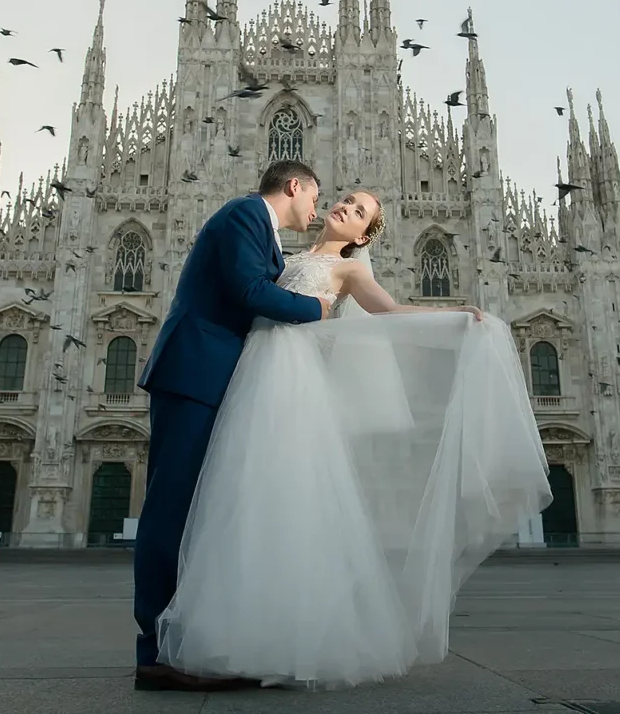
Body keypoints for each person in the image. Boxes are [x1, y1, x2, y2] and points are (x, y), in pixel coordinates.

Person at [154, 188, 552, 690]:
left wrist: (455, 314)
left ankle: (287, 638)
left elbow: (387, 312)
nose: (344, 206)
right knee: (243, 502)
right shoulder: (282, 254)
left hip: (291, 384)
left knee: (290, 500)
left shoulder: (351, 269)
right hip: (248, 377)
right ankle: (245, 633)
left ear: (363, 235)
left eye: (359, 211)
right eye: (344, 199)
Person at [132, 159, 333, 692]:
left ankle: (187, 644)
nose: (318, 209)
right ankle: (154, 653)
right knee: (170, 512)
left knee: (200, 515)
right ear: (295, 187)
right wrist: (319, 308)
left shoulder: (259, 231)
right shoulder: (243, 215)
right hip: (194, 374)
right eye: (316, 196)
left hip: (215, 379)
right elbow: (249, 293)